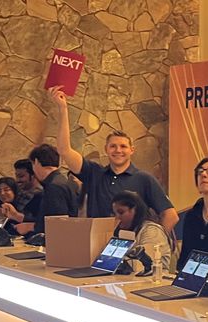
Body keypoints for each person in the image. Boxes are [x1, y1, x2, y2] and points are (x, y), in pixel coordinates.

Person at [48, 86, 178, 233]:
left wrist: (152, 245)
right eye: (113, 146)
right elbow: (64, 150)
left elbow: (171, 216)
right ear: (106, 149)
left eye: (123, 146)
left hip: (129, 251)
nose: (118, 150)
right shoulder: (94, 173)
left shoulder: (144, 179)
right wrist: (62, 109)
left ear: (131, 150)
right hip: (97, 247)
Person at [112, 191, 172, 270]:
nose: (117, 218)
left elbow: (141, 265)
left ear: (134, 210)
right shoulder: (125, 231)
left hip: (154, 279)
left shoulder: (152, 231)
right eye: (114, 214)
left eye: (121, 212)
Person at [28, 144, 79, 235]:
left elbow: (57, 223)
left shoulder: (54, 186)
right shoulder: (60, 180)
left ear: (36, 162)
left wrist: (32, 227)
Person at [3, 159, 44, 235]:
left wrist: (17, 216)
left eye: (21, 176)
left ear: (33, 175)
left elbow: (41, 222)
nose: (17, 180)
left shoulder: (42, 196)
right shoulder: (19, 195)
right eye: (16, 176)